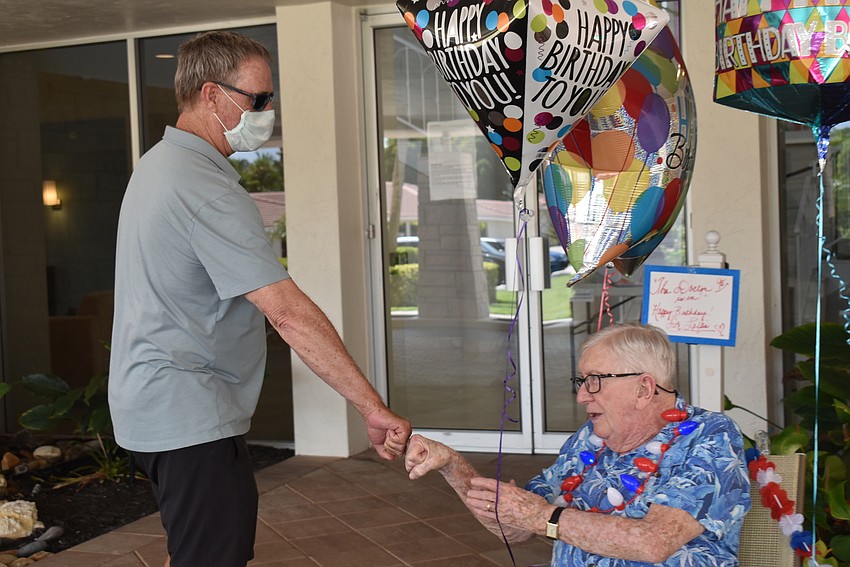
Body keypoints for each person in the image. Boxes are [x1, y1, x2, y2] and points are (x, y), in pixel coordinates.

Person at [108, 30, 411, 567]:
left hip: (158, 402)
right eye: (258, 98)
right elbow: (287, 312)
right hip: (186, 409)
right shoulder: (202, 186)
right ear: (210, 95)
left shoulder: (159, 165)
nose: (268, 110)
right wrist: (372, 408)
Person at [405, 323, 750, 566]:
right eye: (581, 381)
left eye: (595, 381)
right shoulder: (591, 439)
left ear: (644, 389)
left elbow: (654, 541)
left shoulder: (709, 437)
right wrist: (451, 464)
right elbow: (514, 527)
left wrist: (544, 517)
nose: (582, 396)